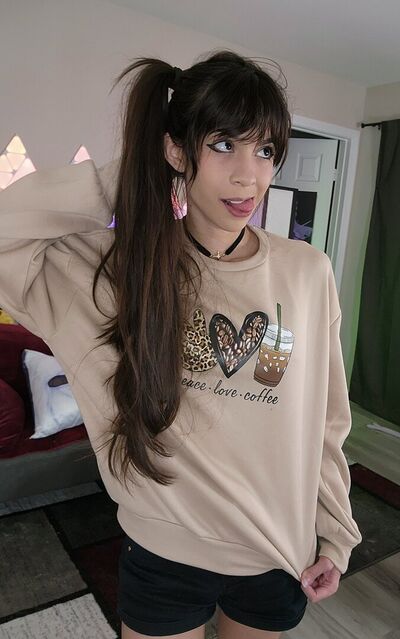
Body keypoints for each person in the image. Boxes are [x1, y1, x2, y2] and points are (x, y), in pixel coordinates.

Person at [0, 50, 362, 639]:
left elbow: (325, 420)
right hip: (165, 552)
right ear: (175, 151)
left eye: (265, 150)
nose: (248, 177)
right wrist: (133, 176)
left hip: (277, 551)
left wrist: (336, 531)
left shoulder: (307, 272)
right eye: (223, 144)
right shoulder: (113, 271)